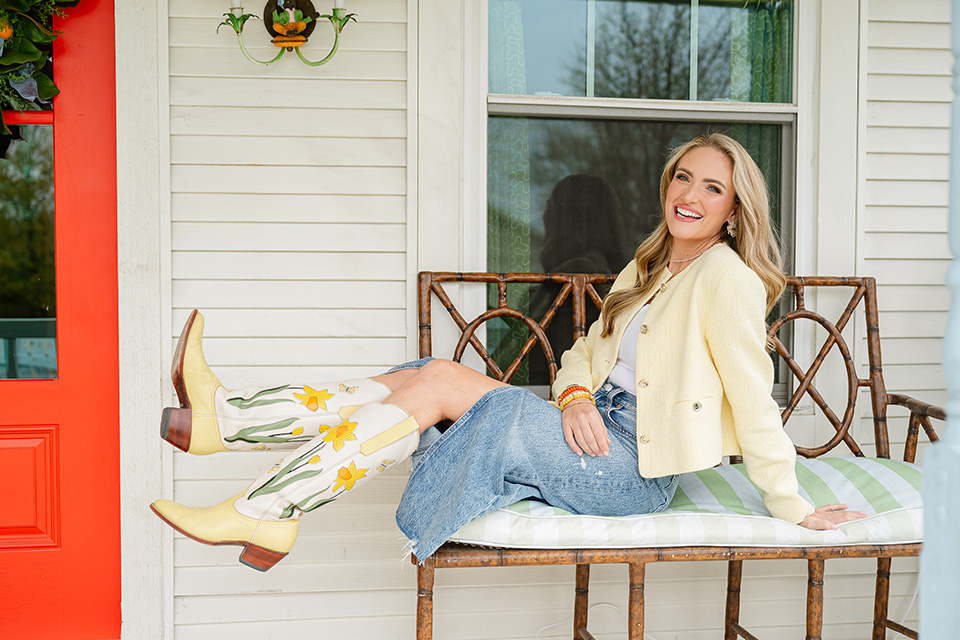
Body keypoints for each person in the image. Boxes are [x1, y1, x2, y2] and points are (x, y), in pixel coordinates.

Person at [150, 133, 865, 571]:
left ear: (734, 210)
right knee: (424, 374)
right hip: (590, 428)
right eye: (684, 177)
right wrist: (576, 393)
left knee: (436, 389)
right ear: (667, 184)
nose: (690, 195)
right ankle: (230, 429)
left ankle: (266, 495)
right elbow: (585, 349)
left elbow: (752, 393)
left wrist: (792, 503)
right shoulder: (651, 265)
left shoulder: (725, 278)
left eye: (714, 188)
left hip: (632, 470)